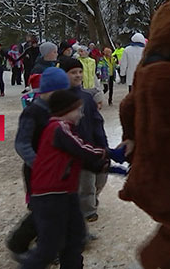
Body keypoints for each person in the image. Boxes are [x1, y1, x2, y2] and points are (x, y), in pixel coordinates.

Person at [18, 88, 112, 269]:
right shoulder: (59, 128)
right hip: (51, 195)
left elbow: (78, 159)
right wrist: (110, 153)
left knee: (75, 237)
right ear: (65, 111)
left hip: (66, 193)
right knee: (49, 247)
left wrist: (106, 166)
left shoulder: (67, 128)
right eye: (78, 110)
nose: (82, 114)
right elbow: (83, 150)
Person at [8, 67, 71, 257]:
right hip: (37, 170)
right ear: (47, 91)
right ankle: (19, 244)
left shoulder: (60, 109)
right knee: (42, 212)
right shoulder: (33, 112)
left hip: (59, 169)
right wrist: (40, 165)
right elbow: (22, 144)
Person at [60, 58, 111, 223]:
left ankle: (92, 200)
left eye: (80, 72)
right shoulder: (60, 98)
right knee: (86, 181)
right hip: (76, 150)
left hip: (92, 144)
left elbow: (97, 121)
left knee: (101, 177)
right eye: (73, 72)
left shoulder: (87, 97)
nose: (78, 75)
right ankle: (87, 210)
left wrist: (103, 144)